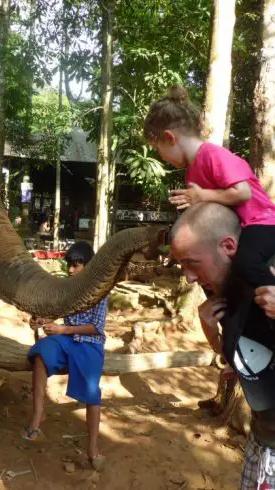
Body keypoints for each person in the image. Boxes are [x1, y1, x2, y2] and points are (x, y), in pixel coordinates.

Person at [170, 202, 275, 490]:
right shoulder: (225, 289)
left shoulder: (268, 274)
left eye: (191, 262)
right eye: (181, 266)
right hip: (262, 440)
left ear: (228, 246)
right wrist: (210, 330)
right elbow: (242, 356)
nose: (188, 277)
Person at [144, 84, 275, 290]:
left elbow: (242, 193)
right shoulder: (191, 172)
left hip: (263, 222)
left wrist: (201, 196)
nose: (162, 158)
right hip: (240, 230)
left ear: (170, 138)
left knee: (246, 264)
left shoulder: (213, 155)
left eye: (158, 149)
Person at [23, 241, 108, 470]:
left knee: (92, 394)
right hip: (67, 340)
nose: (70, 270)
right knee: (40, 353)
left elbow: (96, 327)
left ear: (88, 267)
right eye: (69, 264)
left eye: (77, 265)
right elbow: (54, 312)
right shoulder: (67, 288)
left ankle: (92, 448)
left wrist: (63, 330)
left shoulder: (101, 290)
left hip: (89, 344)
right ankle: (38, 415)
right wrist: (40, 321)